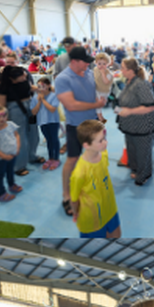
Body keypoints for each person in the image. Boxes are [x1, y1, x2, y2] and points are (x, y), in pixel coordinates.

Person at [56, 45, 108, 217]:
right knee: (72, 160)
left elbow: (93, 94)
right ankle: (66, 195)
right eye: (84, 62)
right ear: (74, 61)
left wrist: (98, 115)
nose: (87, 64)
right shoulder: (63, 79)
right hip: (75, 126)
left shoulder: (88, 73)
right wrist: (96, 105)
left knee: (94, 157)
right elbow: (70, 105)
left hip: (93, 123)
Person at [68, 120, 121, 237]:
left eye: (105, 138)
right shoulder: (79, 173)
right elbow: (74, 200)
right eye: (100, 141)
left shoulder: (103, 154)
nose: (105, 143)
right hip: (92, 220)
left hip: (111, 210)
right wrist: (76, 212)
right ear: (86, 145)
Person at [115, 58, 154, 185]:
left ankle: (144, 175)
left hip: (142, 126)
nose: (121, 70)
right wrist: (118, 110)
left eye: (123, 68)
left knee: (142, 151)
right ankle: (135, 169)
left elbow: (150, 106)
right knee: (132, 149)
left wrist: (129, 111)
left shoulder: (141, 84)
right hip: (130, 126)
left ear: (130, 71)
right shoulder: (129, 82)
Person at [0, 64, 39, 176]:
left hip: (30, 107)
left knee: (34, 134)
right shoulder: (2, 88)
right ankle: (19, 166)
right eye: (22, 76)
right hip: (14, 110)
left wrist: (47, 89)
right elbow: (2, 106)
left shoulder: (24, 81)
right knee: (20, 139)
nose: (25, 77)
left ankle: (32, 156)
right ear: (12, 78)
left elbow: (31, 87)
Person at [0, 105, 22, 203]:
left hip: (12, 155)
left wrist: (17, 147)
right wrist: (5, 157)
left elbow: (16, 135)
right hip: (0, 159)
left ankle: (11, 185)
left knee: (10, 171)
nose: (1, 118)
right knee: (0, 176)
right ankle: (1, 194)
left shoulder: (10, 124)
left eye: (4, 115)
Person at [31, 76, 62, 171]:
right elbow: (33, 112)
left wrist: (43, 100)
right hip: (42, 122)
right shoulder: (36, 98)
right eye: (39, 87)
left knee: (54, 139)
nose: (41, 89)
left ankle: (56, 158)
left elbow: (52, 109)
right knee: (48, 140)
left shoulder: (54, 96)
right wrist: (39, 101)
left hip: (53, 121)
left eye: (43, 86)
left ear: (49, 86)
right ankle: (51, 158)